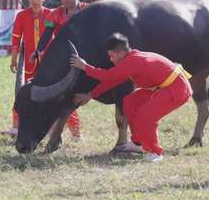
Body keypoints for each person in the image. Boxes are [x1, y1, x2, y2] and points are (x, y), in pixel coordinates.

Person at [71, 33, 193, 162]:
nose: (110, 59)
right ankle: (138, 143)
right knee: (130, 102)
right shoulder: (130, 59)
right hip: (165, 86)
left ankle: (155, 152)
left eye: (112, 55)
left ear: (122, 53)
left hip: (177, 89)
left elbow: (108, 76)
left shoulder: (133, 61)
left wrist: (85, 66)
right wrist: (91, 94)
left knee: (146, 115)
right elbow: (113, 79)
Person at [34, 0, 86, 141]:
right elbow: (47, 33)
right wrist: (39, 50)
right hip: (62, 60)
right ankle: (62, 131)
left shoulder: (87, 10)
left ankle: (75, 131)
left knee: (73, 95)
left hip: (85, 59)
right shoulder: (54, 13)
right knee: (64, 95)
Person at [3, 0, 52, 136]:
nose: (35, 0)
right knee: (23, 93)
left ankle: (73, 132)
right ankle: (16, 126)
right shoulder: (22, 16)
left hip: (49, 61)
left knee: (57, 94)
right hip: (29, 62)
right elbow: (16, 39)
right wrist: (13, 59)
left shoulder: (51, 14)